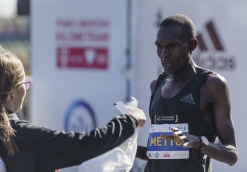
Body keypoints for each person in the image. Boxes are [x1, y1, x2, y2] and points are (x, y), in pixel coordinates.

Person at [0, 45, 146, 172]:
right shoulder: (28, 137)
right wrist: (130, 120)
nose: (26, 89)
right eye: (25, 84)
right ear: (14, 91)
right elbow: (89, 144)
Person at [136, 14, 238, 172]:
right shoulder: (156, 86)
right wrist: (129, 149)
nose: (163, 53)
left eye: (171, 46)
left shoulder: (211, 85)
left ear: (192, 44)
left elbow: (232, 155)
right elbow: (159, 154)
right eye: (159, 45)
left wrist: (199, 143)